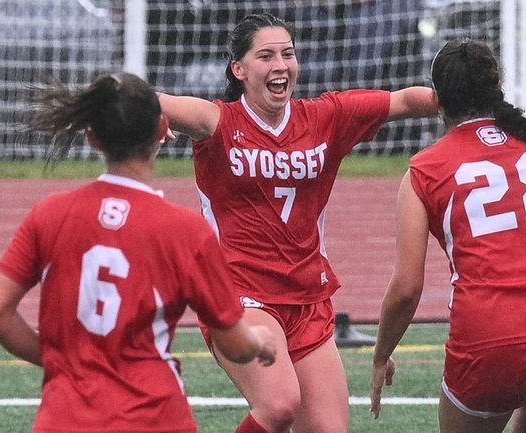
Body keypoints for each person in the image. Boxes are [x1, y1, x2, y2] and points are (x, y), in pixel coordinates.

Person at [158, 12, 438, 433]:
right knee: (278, 404)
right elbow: (151, 101)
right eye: (266, 56)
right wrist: (149, 115)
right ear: (239, 69)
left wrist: (466, 102)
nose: (280, 65)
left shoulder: (327, 116)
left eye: (287, 54)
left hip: (308, 299)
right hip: (240, 296)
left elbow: (401, 101)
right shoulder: (219, 122)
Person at [0, 72, 276, 433]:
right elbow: (235, 344)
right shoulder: (185, 230)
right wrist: (260, 343)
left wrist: (60, 360)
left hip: (65, 418)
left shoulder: (49, 215)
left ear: (93, 137)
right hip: (154, 416)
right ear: (163, 128)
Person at [369, 40, 526, 433]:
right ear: (499, 86)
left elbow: (407, 288)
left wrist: (381, 355)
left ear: (436, 99)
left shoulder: (424, 170)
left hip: (491, 336)